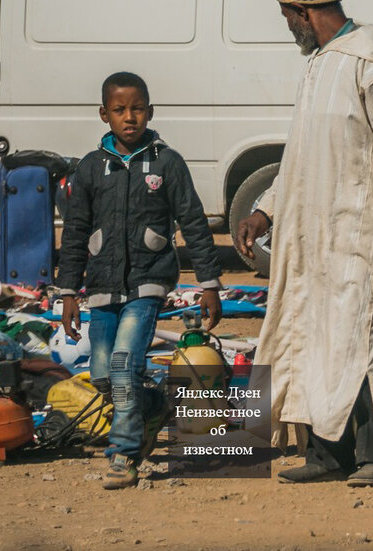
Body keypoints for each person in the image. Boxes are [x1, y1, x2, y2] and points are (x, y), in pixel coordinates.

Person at [235, 0, 373, 487]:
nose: (288, 29)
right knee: (317, 340)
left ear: (302, 9)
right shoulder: (320, 64)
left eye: (286, 17)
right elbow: (302, 157)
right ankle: (327, 455)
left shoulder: (371, 61)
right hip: (317, 241)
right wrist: (263, 210)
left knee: (369, 341)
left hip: (365, 237)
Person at [59, 71, 223, 490]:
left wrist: (209, 283)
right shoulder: (91, 168)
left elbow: (194, 223)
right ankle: (152, 406)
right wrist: (68, 293)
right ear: (104, 114)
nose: (129, 117)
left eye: (137, 109)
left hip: (147, 285)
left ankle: (123, 455)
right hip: (100, 286)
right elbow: (75, 232)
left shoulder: (167, 162)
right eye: (119, 110)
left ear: (150, 112)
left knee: (123, 365)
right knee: (101, 374)